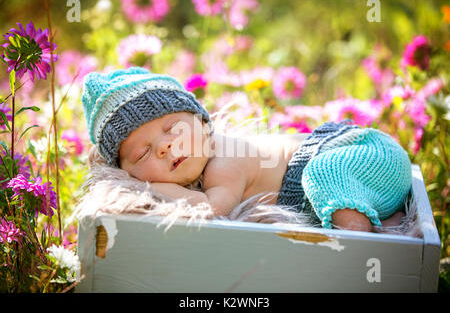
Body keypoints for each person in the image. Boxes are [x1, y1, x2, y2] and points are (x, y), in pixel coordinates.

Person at [81, 67, 412, 232]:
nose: (167, 146)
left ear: (203, 123)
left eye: (173, 129)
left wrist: (149, 185)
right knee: (328, 185)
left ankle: (364, 240)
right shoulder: (199, 162)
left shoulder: (224, 162)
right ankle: (386, 217)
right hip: (362, 170)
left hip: (359, 153)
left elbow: (213, 208)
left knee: (325, 177)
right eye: (142, 154)